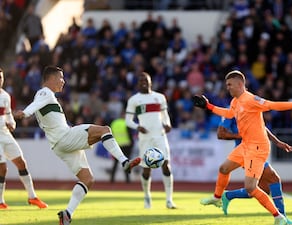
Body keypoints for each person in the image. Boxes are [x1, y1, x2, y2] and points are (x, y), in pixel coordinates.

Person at [14, 66, 141, 225]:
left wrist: (26, 112)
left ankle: (67, 214)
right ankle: (124, 162)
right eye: (61, 78)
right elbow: (34, 105)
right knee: (104, 130)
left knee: (87, 179)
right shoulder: (44, 92)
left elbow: (36, 105)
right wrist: (25, 113)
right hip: (65, 137)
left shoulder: (46, 96)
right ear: (51, 78)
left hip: (58, 145)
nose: (63, 81)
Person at [192, 70, 292, 225]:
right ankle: (217, 198)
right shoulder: (236, 102)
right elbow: (229, 114)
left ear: (240, 84)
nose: (227, 88)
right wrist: (208, 106)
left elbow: (273, 105)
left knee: (251, 187)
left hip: (258, 148)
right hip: (246, 145)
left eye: (229, 85)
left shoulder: (251, 99)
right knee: (224, 169)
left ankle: (279, 217)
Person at [217, 117, 292, 225]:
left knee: (263, 190)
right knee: (273, 179)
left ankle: (228, 196)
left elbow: (261, 127)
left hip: (256, 150)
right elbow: (221, 134)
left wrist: (277, 142)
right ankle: (283, 219)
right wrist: (239, 135)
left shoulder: (251, 108)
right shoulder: (231, 112)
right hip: (245, 152)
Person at [125, 72, 176, 209]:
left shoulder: (159, 97)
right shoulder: (134, 100)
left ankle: (169, 200)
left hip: (160, 135)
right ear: (137, 83)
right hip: (145, 138)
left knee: (166, 164)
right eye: (141, 80)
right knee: (146, 169)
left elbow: (165, 116)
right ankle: (147, 196)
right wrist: (138, 126)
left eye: (146, 80)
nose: (143, 82)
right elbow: (128, 121)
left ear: (150, 82)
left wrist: (168, 124)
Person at [0, 68, 47, 209]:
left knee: (21, 162)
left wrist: (12, 124)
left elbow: (8, 115)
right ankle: (0, 201)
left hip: (5, 134)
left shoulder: (6, 96)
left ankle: (32, 197)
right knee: (2, 168)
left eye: (1, 77)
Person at [109, 113, 133, 183]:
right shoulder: (126, 123)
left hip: (117, 145)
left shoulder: (114, 123)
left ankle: (112, 178)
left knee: (115, 163)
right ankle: (127, 179)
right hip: (126, 145)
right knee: (126, 163)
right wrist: (132, 144)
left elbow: (111, 134)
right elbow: (130, 135)